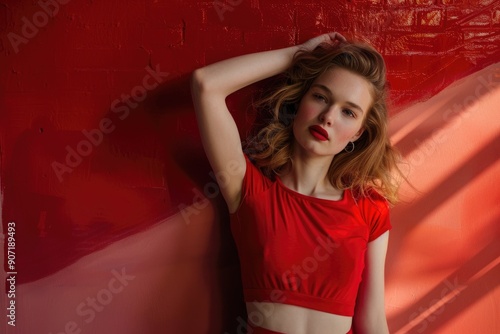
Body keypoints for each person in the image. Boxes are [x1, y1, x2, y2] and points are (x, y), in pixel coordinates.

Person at [191, 32, 401, 334]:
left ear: (357, 132)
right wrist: (299, 54)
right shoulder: (250, 189)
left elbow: (373, 322)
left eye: (348, 112)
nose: (328, 116)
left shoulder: (369, 209)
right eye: (320, 97)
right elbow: (206, 85)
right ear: (300, 101)